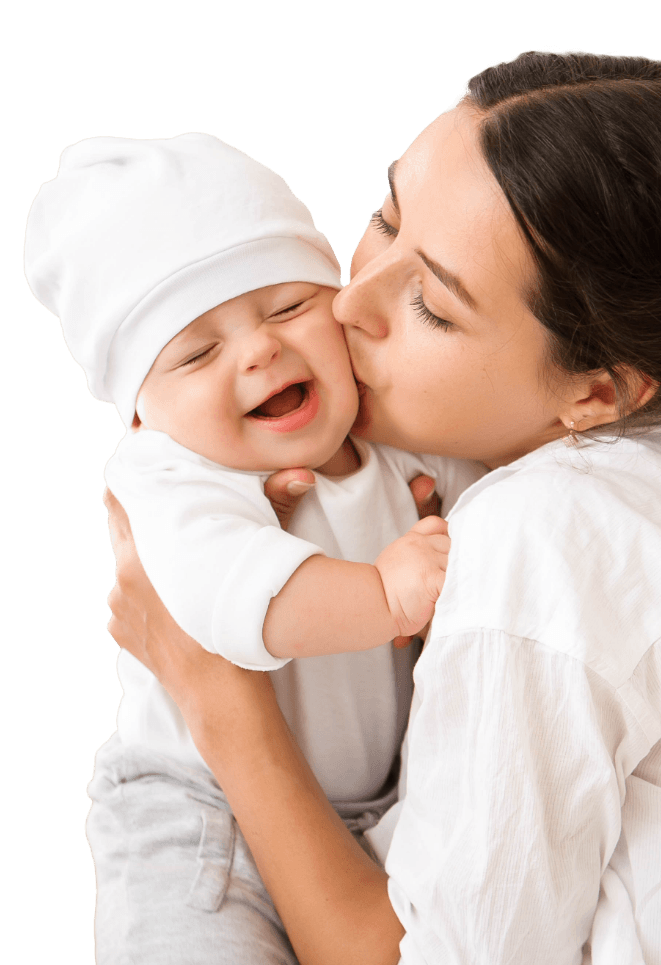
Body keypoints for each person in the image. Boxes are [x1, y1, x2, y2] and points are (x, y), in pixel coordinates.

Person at [105, 50, 661, 965]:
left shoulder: (543, 529)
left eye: (433, 307)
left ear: (600, 392)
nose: (349, 304)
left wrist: (217, 692)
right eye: (386, 217)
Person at [24, 132, 483, 963]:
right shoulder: (170, 473)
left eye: (287, 307)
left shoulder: (386, 435)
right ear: (140, 412)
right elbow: (232, 600)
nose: (260, 349)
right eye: (198, 352)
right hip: (199, 813)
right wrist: (384, 595)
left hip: (370, 807)